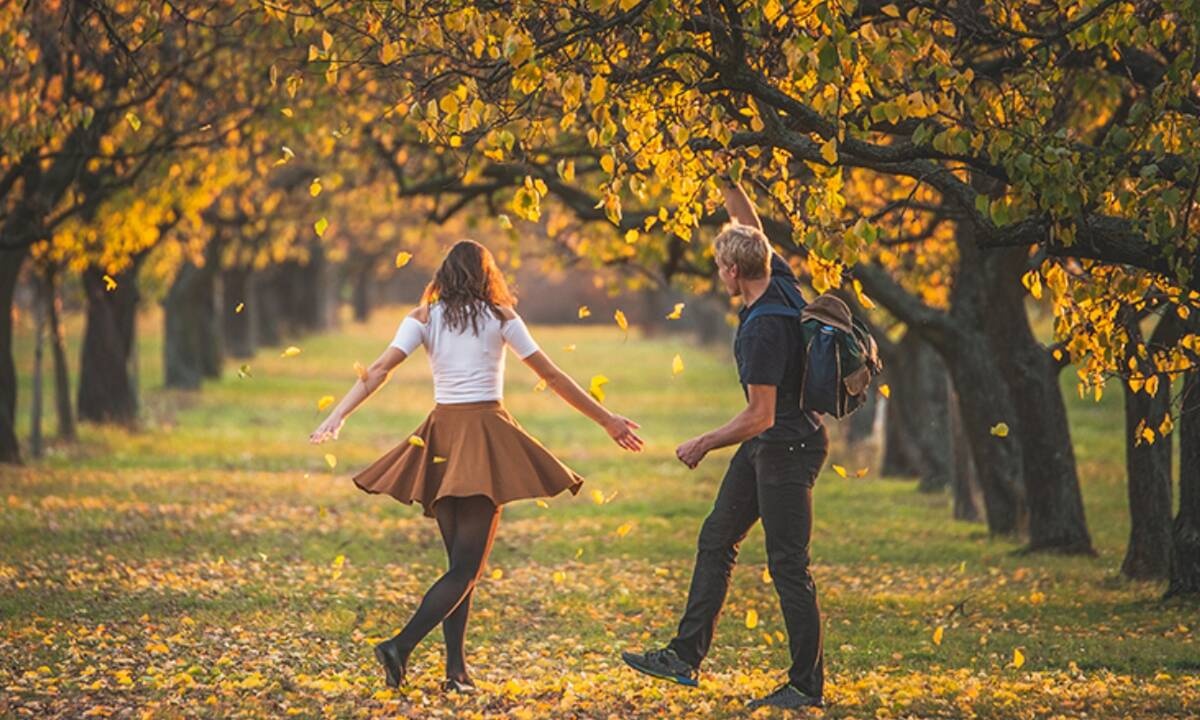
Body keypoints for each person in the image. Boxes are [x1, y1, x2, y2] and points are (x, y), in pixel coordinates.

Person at [310, 239, 643, 692]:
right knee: (465, 571)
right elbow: (552, 375)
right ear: (488, 276)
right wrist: (607, 419)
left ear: (443, 276)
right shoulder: (501, 317)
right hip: (484, 436)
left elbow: (380, 368)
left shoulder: (423, 318)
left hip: (442, 439)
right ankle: (400, 646)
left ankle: (456, 673)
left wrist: (338, 414)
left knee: (458, 567)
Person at [621, 175, 829, 710]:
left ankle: (807, 686)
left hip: (786, 447)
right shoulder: (777, 278)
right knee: (717, 538)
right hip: (773, 444)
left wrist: (703, 443)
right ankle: (684, 657)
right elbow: (751, 226)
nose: (719, 275)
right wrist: (722, 173)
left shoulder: (762, 327)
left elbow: (759, 416)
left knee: (788, 565)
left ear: (734, 272)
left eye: (720, 268)